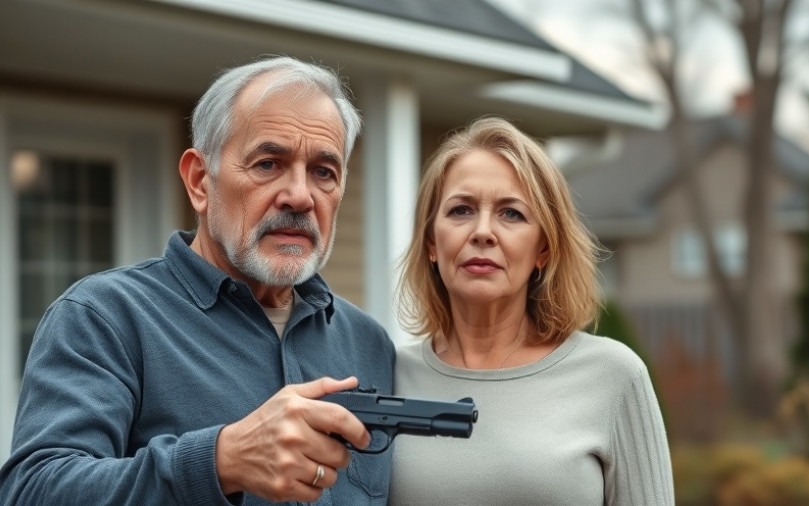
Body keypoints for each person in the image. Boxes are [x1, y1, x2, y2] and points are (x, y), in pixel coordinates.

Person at [0, 56, 395, 505]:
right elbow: (32, 492)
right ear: (200, 181)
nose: (300, 196)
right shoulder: (104, 317)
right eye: (268, 164)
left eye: (323, 172)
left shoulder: (368, 342)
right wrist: (219, 461)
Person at [388, 117, 674, 505]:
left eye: (511, 214)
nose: (483, 232)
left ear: (544, 249)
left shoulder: (614, 376)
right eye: (461, 210)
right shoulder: (390, 376)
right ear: (431, 244)